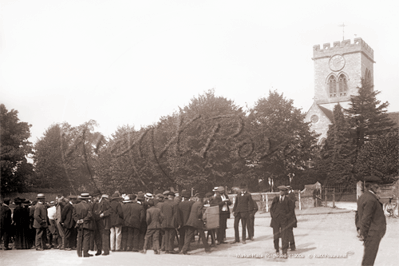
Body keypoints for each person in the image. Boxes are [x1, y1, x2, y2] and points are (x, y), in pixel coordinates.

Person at [356, 179, 387, 266]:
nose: (378, 188)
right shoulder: (371, 199)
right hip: (372, 233)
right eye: (376, 186)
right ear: (370, 186)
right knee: (369, 258)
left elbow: (357, 214)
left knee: (368, 256)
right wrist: (364, 234)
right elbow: (366, 218)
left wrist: (359, 228)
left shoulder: (363, 196)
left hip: (369, 232)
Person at [270, 186, 295, 257]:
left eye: (282, 191)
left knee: (284, 236)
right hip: (276, 220)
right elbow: (271, 209)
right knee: (276, 236)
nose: (280, 192)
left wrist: (287, 217)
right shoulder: (276, 199)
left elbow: (291, 211)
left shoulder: (288, 200)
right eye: (280, 191)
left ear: (285, 192)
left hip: (284, 220)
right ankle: (277, 249)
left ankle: (284, 251)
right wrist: (273, 216)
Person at [73, 193, 94, 258]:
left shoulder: (76, 206)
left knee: (79, 238)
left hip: (78, 224)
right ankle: (85, 253)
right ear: (87, 199)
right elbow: (90, 215)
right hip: (86, 224)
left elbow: (74, 215)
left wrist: (77, 220)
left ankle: (79, 253)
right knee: (86, 238)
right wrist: (83, 220)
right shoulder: (89, 206)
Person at [286, 186, 297, 251]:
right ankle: (287, 245)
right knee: (286, 232)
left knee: (289, 232)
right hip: (289, 218)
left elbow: (292, 206)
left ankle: (292, 246)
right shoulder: (289, 196)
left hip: (290, 218)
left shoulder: (291, 195)